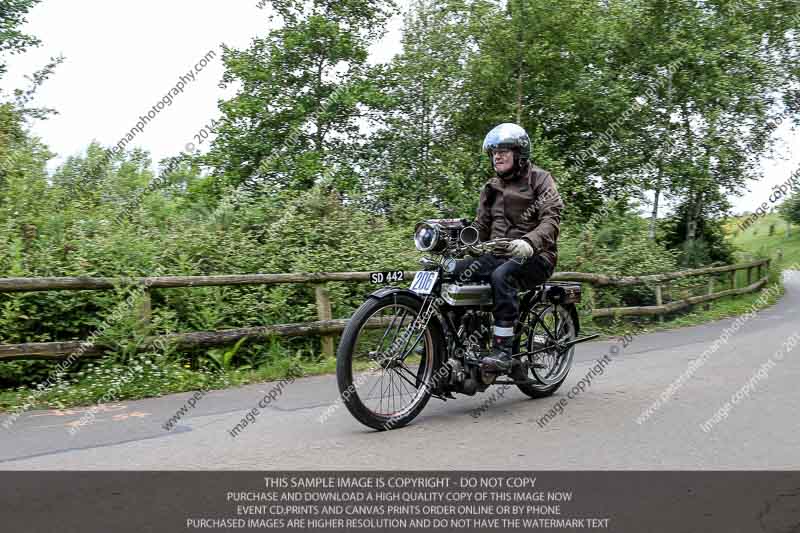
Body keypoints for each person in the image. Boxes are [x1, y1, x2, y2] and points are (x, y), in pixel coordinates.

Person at [452, 123, 564, 372]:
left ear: (520, 153)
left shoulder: (540, 179)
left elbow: (551, 220)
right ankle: (455, 338)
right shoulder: (490, 187)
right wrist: (461, 244)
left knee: (502, 276)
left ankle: (502, 349)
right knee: (452, 270)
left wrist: (529, 242)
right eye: (494, 152)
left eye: (504, 150)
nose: (497, 156)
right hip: (497, 255)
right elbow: (481, 227)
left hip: (536, 257)